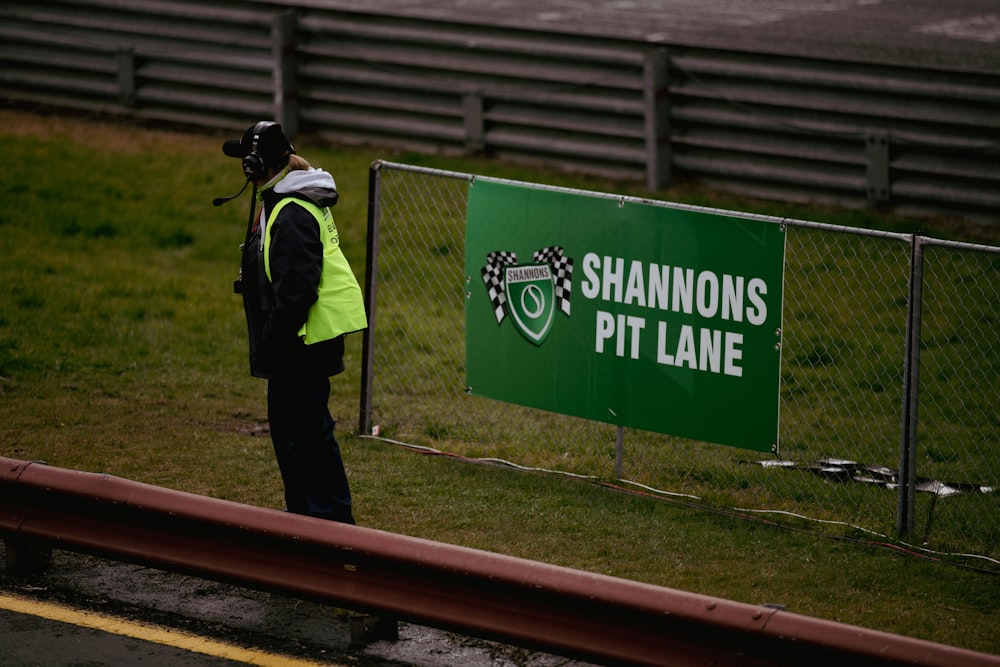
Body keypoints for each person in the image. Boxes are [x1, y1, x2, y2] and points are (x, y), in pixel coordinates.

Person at [222, 121, 367, 524]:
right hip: (298, 343)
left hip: (300, 345)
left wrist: (272, 341)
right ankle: (309, 522)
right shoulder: (284, 201)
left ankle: (330, 526)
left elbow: (297, 292)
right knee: (297, 438)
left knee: (306, 438)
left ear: (256, 166)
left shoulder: (290, 212)